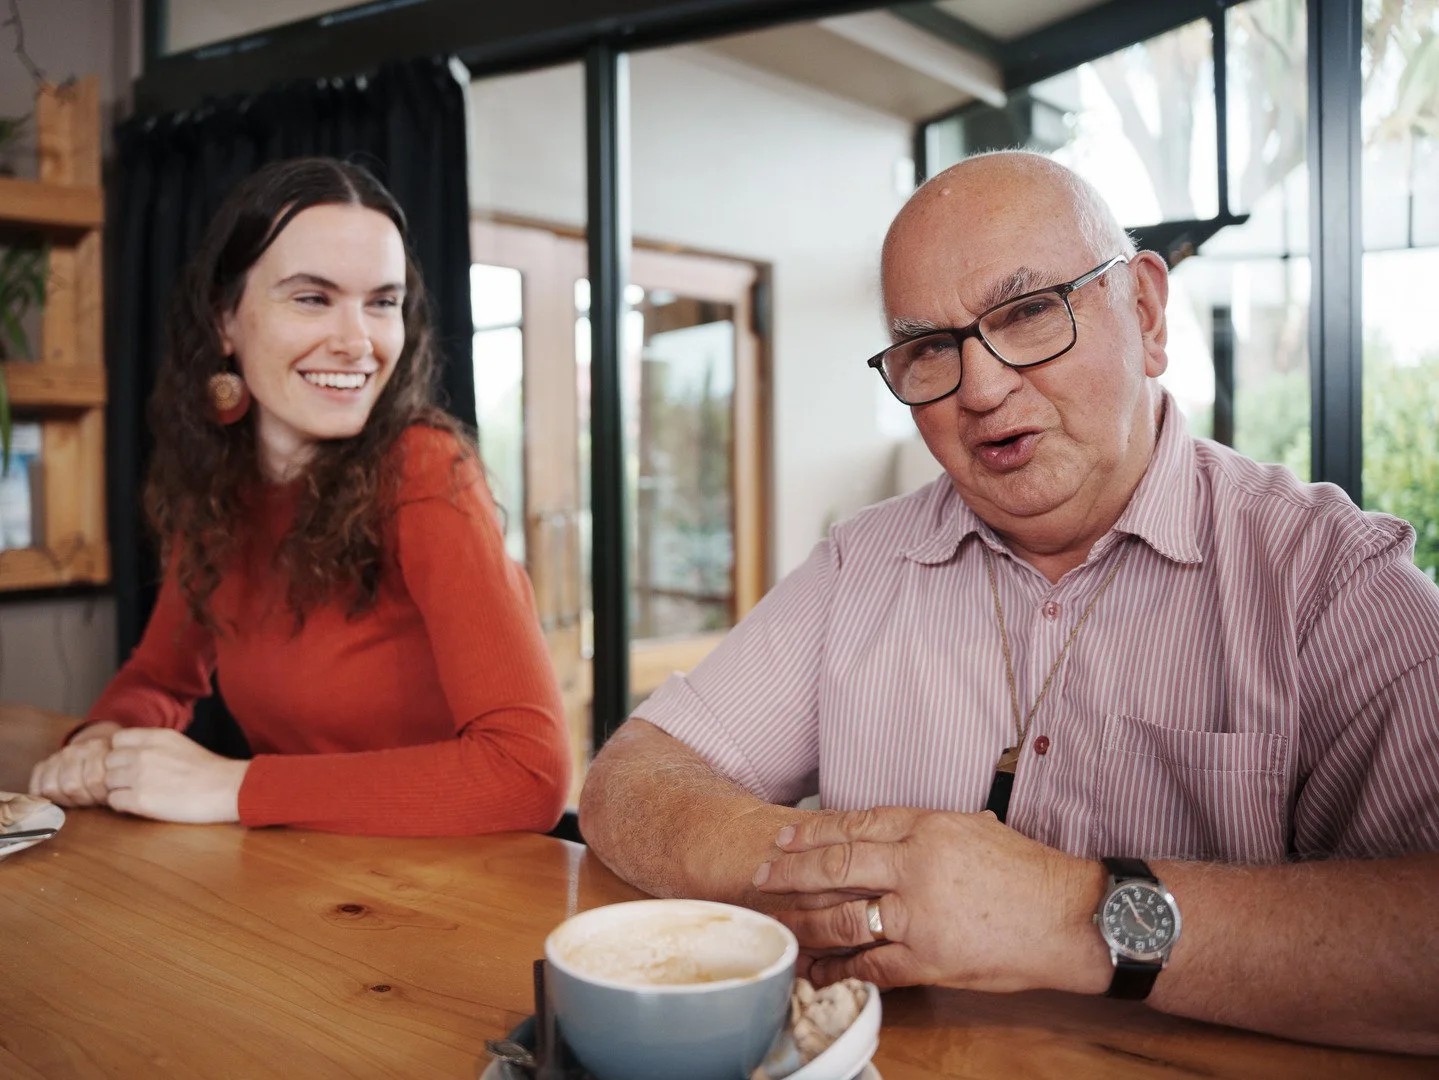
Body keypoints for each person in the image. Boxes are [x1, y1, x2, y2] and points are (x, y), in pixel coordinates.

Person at [579, 151, 1439, 1053]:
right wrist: (858, 878)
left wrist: (1067, 914)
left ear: (1145, 313)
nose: (981, 389)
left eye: (1028, 313)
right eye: (929, 348)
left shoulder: (1328, 579)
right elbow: (632, 780)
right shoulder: (859, 564)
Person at [28, 157, 570, 836]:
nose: (357, 342)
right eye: (312, 298)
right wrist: (103, 737)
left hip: (449, 882)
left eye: (382, 302)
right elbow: (161, 677)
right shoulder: (219, 485)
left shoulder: (425, 468)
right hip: (305, 873)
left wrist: (235, 786)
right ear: (224, 320)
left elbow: (528, 773)